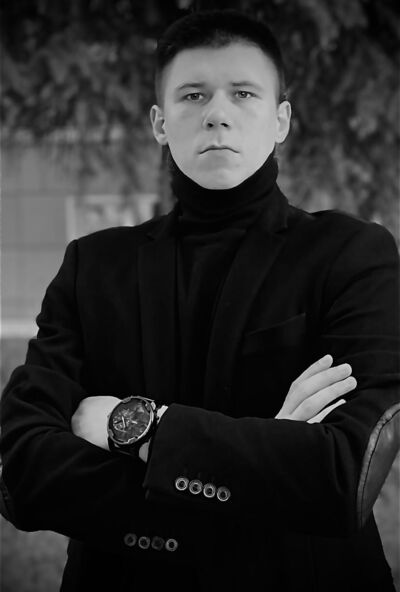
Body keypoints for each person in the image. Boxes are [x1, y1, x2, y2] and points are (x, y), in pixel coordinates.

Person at [0, 9, 399, 592]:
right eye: (193, 95)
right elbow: (23, 471)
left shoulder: (351, 255)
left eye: (243, 93)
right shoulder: (94, 267)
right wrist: (266, 467)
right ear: (160, 123)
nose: (217, 113)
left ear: (281, 120)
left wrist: (136, 427)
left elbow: (343, 478)